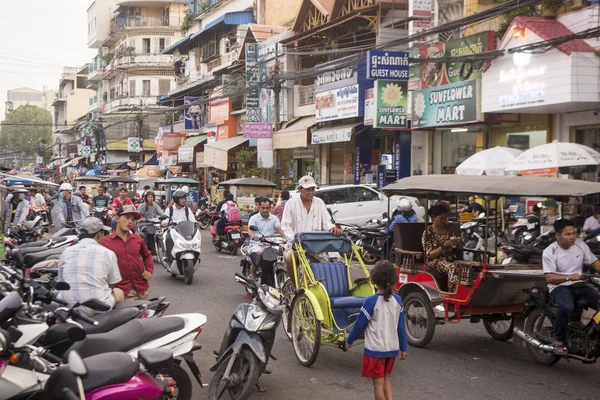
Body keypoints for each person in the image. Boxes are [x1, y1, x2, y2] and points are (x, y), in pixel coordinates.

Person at [345, 260, 408, 400]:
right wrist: (404, 348)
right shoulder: (398, 301)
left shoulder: (370, 301)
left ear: (374, 280)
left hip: (376, 350)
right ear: (393, 281)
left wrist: (349, 341)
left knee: (377, 384)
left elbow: (359, 325)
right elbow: (401, 328)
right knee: (386, 378)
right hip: (392, 349)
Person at [542, 218, 600, 355]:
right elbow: (550, 278)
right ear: (558, 235)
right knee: (567, 307)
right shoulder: (549, 252)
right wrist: (567, 277)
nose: (572, 237)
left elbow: (596, 263)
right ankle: (559, 340)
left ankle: (591, 333)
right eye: (568, 234)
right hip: (559, 287)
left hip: (579, 285)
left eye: (573, 233)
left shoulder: (581, 245)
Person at [281, 175, 342, 280]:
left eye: (312, 189)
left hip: (317, 246)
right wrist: (294, 239)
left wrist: (332, 228)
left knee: (329, 270)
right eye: (307, 189)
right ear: (300, 189)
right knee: (289, 258)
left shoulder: (319, 202)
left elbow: (326, 221)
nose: (310, 192)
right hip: (297, 246)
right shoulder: (291, 204)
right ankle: (295, 286)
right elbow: (285, 225)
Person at [57, 218, 124, 314]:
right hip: (98, 308)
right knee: (119, 292)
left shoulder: (66, 251)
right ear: (99, 234)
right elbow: (112, 285)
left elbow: (61, 283)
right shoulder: (107, 253)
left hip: (67, 306)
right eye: (104, 233)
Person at [102, 205, 154, 300]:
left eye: (132, 219)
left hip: (142, 288)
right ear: (117, 218)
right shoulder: (105, 242)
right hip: (122, 291)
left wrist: (149, 270)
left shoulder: (137, 239)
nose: (130, 221)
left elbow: (147, 255)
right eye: (126, 217)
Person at [422, 202, 462, 293]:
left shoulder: (448, 230)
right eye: (441, 218)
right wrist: (444, 245)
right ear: (434, 217)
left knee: (465, 267)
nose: (444, 221)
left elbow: (455, 246)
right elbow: (430, 255)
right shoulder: (427, 233)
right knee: (453, 267)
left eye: (445, 218)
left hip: (450, 257)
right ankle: (452, 293)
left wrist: (457, 243)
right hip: (435, 261)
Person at [248, 198, 285, 279]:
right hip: (258, 244)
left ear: (270, 208)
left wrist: (286, 236)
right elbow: (250, 231)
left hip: (272, 244)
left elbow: (279, 229)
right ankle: (253, 278)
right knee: (259, 254)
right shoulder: (254, 218)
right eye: (263, 208)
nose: (265, 210)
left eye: (267, 208)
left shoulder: (274, 218)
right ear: (259, 207)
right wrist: (254, 236)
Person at [163, 189, 195, 263]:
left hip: (185, 231)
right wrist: (164, 223)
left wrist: (196, 223)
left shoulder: (187, 210)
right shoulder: (170, 210)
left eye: (184, 198)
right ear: (176, 199)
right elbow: (164, 221)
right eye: (181, 199)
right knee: (168, 239)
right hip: (172, 230)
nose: (184, 200)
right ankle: (169, 258)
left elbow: (192, 220)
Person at [138, 190, 165, 255]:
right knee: (148, 232)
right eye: (149, 197)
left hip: (154, 224)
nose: (150, 198)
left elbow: (161, 213)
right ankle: (146, 249)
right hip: (144, 224)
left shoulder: (155, 206)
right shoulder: (141, 206)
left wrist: (165, 216)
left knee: (159, 232)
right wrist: (143, 218)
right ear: (146, 198)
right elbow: (139, 215)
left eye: (152, 197)